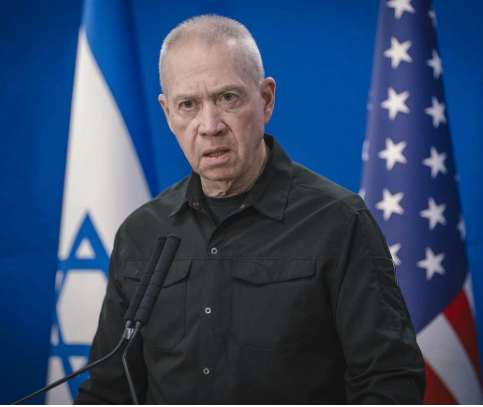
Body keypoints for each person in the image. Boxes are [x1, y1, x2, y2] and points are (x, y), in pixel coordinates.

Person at [75, 14, 425, 404]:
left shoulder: (340, 222)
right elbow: (108, 390)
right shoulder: (140, 233)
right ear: (168, 114)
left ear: (266, 100)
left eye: (227, 98)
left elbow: (389, 382)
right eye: (188, 104)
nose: (210, 125)